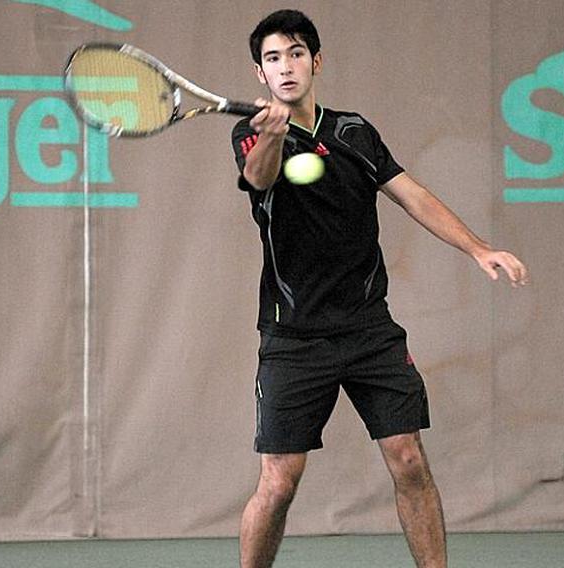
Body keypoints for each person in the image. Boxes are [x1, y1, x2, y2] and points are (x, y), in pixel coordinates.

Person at [230, 9, 528, 568]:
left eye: (296, 54)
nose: (286, 66)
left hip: (370, 330)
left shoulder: (354, 132)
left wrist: (478, 247)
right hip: (294, 338)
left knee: (409, 460)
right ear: (260, 74)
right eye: (273, 58)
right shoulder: (251, 134)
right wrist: (271, 136)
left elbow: (412, 195)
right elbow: (259, 178)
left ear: (315, 62)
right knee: (278, 483)